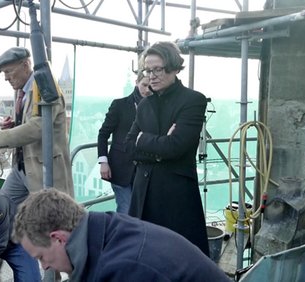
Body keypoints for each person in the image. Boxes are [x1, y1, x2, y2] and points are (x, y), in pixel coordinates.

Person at [0, 46, 73, 281]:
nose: (6, 78)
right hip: (22, 169)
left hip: (44, 170)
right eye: (3, 73)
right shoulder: (25, 90)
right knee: (0, 215)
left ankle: (53, 276)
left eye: (9, 72)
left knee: (49, 228)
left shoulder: (45, 86)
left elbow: (38, 127)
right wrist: (12, 126)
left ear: (26, 65)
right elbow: (30, 124)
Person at [12, 188, 230, 282]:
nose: (45, 267)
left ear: (59, 238)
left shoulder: (124, 269)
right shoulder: (108, 228)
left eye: (41, 257)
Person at [125, 41, 210, 255]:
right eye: (147, 70)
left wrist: (143, 139)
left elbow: (176, 147)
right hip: (143, 195)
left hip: (175, 197)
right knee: (144, 260)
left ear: (173, 67)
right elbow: (128, 146)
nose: (152, 75)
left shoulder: (193, 100)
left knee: (177, 259)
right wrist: (160, 146)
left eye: (158, 69)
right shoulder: (145, 104)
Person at [97, 70, 151, 213]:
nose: (147, 90)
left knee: (142, 212)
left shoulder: (156, 107)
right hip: (121, 168)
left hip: (146, 170)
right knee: (126, 209)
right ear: (136, 83)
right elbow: (103, 134)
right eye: (144, 85)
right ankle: (124, 235)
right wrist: (103, 162)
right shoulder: (119, 105)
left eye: (150, 86)